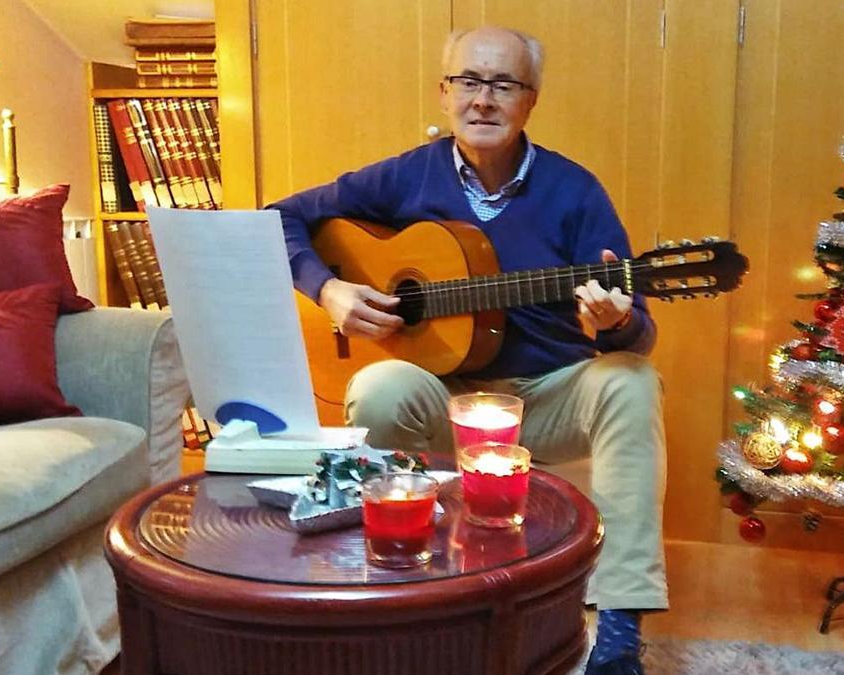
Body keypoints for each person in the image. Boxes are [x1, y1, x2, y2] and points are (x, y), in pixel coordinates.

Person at [268, 26, 666, 675]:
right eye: (469, 82)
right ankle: (401, 595)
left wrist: (614, 321)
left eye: (503, 84)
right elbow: (279, 216)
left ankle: (619, 623)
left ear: (530, 100)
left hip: (545, 396)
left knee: (632, 380)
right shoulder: (407, 174)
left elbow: (639, 330)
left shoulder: (575, 191)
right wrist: (331, 288)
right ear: (444, 92)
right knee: (378, 386)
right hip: (444, 401)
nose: (484, 100)